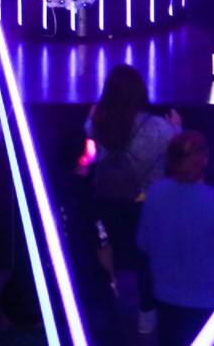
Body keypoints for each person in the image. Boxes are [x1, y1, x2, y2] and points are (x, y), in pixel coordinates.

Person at [84, 63, 179, 335]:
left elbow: (87, 132)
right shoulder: (157, 127)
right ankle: (146, 315)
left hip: (107, 199)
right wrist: (177, 127)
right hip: (145, 202)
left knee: (111, 250)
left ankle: (112, 301)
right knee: (146, 258)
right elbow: (178, 148)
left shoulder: (98, 123)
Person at [137, 131, 214, 346]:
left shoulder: (155, 193)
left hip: (164, 297)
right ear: (205, 159)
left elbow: (143, 243)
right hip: (204, 301)